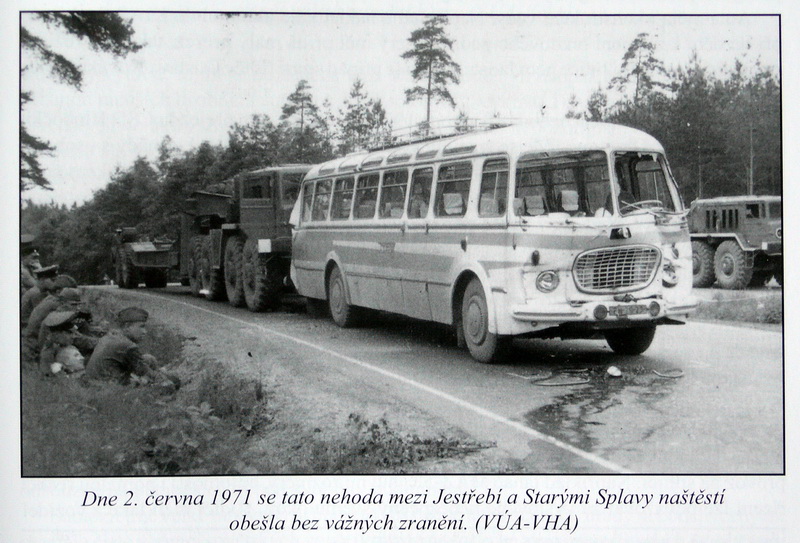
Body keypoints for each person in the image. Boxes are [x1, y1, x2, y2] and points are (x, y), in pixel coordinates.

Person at [84, 307, 179, 390]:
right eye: (141, 327)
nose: (144, 332)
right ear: (127, 327)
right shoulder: (127, 345)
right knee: (169, 386)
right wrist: (168, 379)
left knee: (149, 359)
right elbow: (145, 372)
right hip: (108, 389)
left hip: (93, 383)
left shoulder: (110, 335)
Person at [38, 310, 85, 376]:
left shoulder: (64, 343)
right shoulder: (49, 351)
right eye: (69, 333)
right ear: (58, 334)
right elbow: (48, 373)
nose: (73, 337)